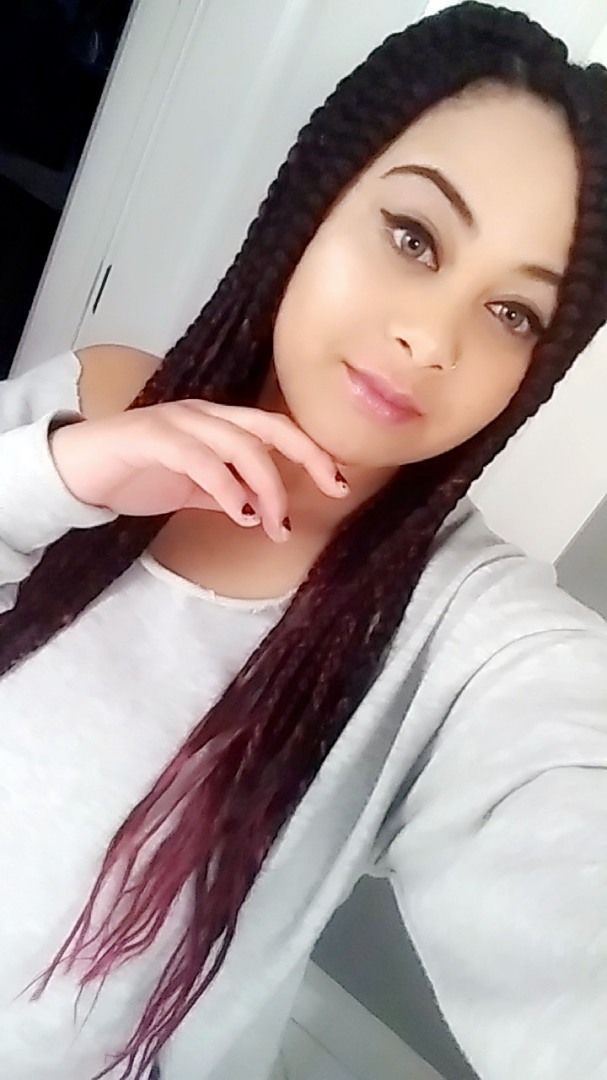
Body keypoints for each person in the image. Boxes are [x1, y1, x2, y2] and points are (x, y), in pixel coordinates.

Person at [0, 3, 606, 1078]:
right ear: (315, 202)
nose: (431, 336)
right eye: (413, 238)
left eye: (513, 314)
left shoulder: (464, 641)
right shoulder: (97, 396)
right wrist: (60, 478)